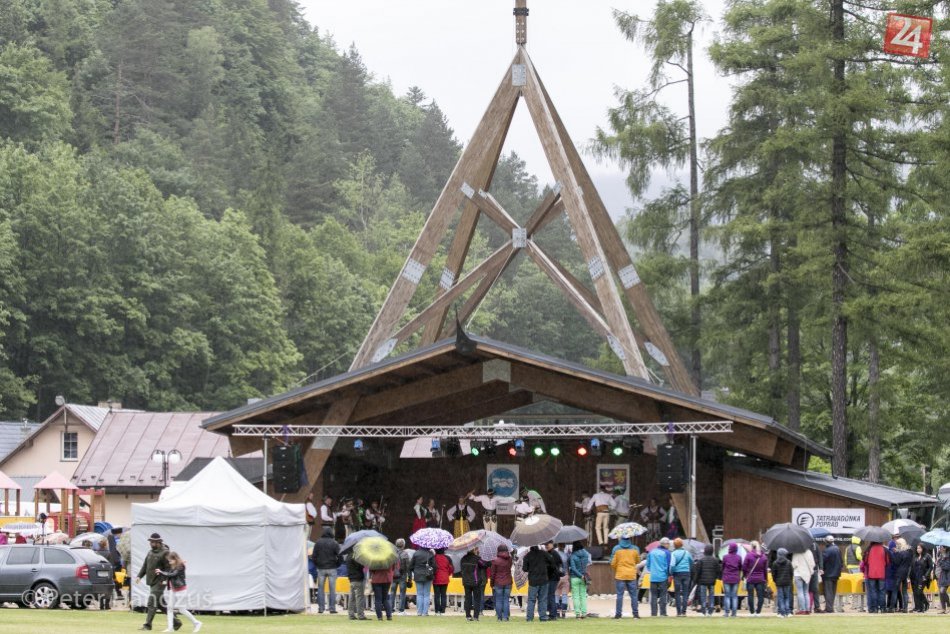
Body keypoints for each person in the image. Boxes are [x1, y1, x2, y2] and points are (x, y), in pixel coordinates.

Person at [135, 533, 177, 632]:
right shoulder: (150, 552)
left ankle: (147, 626)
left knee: (151, 602)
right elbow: (145, 565)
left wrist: (164, 580)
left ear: (159, 542)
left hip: (160, 582)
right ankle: (176, 622)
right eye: (151, 541)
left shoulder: (165, 553)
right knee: (160, 604)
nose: (152, 543)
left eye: (154, 542)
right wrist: (139, 576)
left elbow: (169, 568)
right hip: (152, 581)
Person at [155, 551, 201, 633]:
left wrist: (161, 572)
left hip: (181, 590)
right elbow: (170, 576)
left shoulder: (180, 566)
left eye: (170, 560)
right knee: (169, 608)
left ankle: (196, 623)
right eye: (168, 560)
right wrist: (164, 581)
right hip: (173, 590)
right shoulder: (173, 566)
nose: (169, 562)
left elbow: (173, 575)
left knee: (181, 609)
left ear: (175, 559)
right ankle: (170, 628)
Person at [311, 527, 341, 614]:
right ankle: (332, 608)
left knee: (320, 589)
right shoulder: (334, 543)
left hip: (321, 568)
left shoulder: (318, 543)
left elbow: (314, 556)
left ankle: (321, 608)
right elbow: (340, 556)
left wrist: (317, 564)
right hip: (332, 568)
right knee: (332, 589)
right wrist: (337, 564)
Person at [609, 536, 640, 619]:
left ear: (621, 539)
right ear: (629, 539)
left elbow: (612, 563)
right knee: (633, 595)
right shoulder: (635, 548)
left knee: (620, 595)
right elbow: (638, 561)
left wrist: (618, 568)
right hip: (631, 575)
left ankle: (618, 615)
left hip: (620, 575)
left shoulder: (616, 549)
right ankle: (636, 614)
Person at [522, 545, 551, 622]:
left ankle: (529, 618)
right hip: (544, 580)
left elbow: (524, 569)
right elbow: (551, 562)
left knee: (531, 600)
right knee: (543, 599)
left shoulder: (527, 556)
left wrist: (531, 568)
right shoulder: (544, 553)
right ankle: (543, 617)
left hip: (533, 581)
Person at [460, 546, 489, 621]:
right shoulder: (477, 559)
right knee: (477, 599)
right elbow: (485, 565)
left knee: (468, 599)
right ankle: (476, 616)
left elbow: (461, 569)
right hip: (475, 581)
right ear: (474, 550)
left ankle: (468, 616)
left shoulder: (463, 559)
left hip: (466, 581)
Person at [692, 544, 721, 617]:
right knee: (711, 595)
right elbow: (718, 571)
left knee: (703, 595)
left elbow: (698, 571)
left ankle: (703, 609)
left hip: (702, 581)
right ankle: (711, 610)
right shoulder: (715, 560)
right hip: (712, 581)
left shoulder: (701, 560)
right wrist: (715, 577)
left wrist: (695, 581)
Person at [646, 536, 672, 617]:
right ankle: (663, 613)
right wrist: (669, 575)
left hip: (653, 577)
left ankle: (653, 613)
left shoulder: (652, 552)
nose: (669, 545)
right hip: (663, 577)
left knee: (653, 595)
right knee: (663, 595)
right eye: (668, 544)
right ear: (666, 544)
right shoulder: (667, 553)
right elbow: (668, 565)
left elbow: (648, 565)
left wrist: (653, 571)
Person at [862, 540, 889, 613]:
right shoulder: (884, 549)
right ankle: (883, 608)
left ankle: (874, 608)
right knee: (882, 591)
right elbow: (888, 561)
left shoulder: (869, 549)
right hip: (881, 573)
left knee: (873, 591)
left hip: (871, 573)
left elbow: (865, 561)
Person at [742, 540, 768, 616]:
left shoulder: (748, 555)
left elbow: (744, 567)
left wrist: (745, 575)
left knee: (750, 595)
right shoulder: (764, 557)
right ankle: (758, 611)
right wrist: (765, 579)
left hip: (750, 578)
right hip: (761, 578)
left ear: (751, 546)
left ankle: (752, 612)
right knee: (760, 596)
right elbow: (765, 570)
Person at [489, 544, 513, 621]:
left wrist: (492, 584)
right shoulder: (510, 559)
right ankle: (506, 617)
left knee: (498, 600)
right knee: (506, 600)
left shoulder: (495, 560)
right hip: (508, 581)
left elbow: (492, 574)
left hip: (498, 582)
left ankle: (499, 617)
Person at [669, 538, 693, 616]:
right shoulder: (687, 553)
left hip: (677, 574)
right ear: (682, 544)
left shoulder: (673, 553)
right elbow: (691, 562)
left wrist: (671, 572)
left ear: (675, 545)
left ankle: (678, 612)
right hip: (686, 573)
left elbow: (672, 565)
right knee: (686, 592)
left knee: (677, 593)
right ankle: (684, 611)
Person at [408, 547, 435, 616]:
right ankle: (425, 612)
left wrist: (413, 573)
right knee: (426, 594)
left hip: (418, 575)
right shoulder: (430, 554)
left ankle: (419, 612)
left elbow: (410, 566)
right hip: (428, 576)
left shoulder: (416, 553)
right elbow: (435, 566)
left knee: (419, 594)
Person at [888, 537, 911, 612]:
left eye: (897, 544)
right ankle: (905, 608)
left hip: (898, 573)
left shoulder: (899, 553)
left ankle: (891, 608)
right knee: (904, 591)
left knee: (895, 590)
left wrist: (894, 554)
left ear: (900, 544)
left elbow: (896, 562)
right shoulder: (908, 553)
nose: (896, 545)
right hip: (906, 573)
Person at [909, 542, 934, 613]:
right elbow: (912, 566)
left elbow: (931, 567)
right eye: (917, 548)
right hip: (914, 577)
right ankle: (917, 607)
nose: (918, 549)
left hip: (923, 577)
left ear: (923, 548)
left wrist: (926, 575)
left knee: (919, 592)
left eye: (919, 548)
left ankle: (925, 604)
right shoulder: (915, 556)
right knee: (915, 592)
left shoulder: (927, 556)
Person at [569, 540, 591, 619]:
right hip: (584, 577)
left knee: (576, 596)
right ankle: (584, 613)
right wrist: (582, 575)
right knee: (583, 595)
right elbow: (587, 563)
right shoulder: (586, 554)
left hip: (575, 577)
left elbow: (573, 568)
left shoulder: (573, 556)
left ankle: (578, 614)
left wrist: (579, 575)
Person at [369, 557, 396, 621]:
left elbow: (371, 569)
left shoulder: (375, 558)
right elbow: (393, 568)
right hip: (387, 579)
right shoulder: (390, 558)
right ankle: (389, 616)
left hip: (376, 580)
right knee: (386, 598)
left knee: (378, 599)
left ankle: (379, 617)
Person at [820, 536, 842, 613]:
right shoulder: (837, 549)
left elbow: (822, 562)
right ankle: (830, 607)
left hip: (828, 574)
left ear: (826, 542)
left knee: (828, 592)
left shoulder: (826, 551)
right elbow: (841, 562)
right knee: (832, 592)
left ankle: (829, 608)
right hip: (836, 574)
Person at [791, 546, 816, 614]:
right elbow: (813, 564)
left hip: (798, 574)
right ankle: (808, 609)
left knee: (800, 592)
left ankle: (802, 609)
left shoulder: (796, 553)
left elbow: (793, 564)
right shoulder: (809, 552)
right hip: (807, 574)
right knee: (806, 592)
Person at [721, 542, 742, 617]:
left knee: (727, 595)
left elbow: (723, 567)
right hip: (736, 578)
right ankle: (734, 613)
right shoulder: (739, 557)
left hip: (726, 578)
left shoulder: (725, 557)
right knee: (734, 596)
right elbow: (740, 567)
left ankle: (726, 612)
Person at [771, 548, 794, 618]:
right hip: (787, 582)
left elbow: (773, 574)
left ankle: (782, 612)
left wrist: (775, 581)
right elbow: (791, 573)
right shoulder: (789, 562)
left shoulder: (775, 563)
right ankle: (788, 612)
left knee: (780, 597)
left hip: (779, 582)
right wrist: (790, 580)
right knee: (787, 597)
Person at [390, 538, 411, 615]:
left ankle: (391, 609)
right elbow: (408, 567)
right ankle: (401, 610)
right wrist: (410, 578)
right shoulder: (405, 554)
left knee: (392, 593)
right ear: (403, 545)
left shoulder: (392, 554)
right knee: (402, 593)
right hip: (402, 576)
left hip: (393, 576)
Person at [543, 541, 562, 620]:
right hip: (552, 577)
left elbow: (555, 565)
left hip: (553, 577)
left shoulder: (554, 553)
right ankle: (552, 613)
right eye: (545, 544)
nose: (546, 546)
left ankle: (553, 614)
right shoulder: (549, 553)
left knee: (551, 595)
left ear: (552, 544)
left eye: (547, 544)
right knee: (550, 595)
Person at [346, 551, 367, 620]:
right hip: (358, 578)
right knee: (359, 597)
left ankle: (351, 615)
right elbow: (360, 566)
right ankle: (360, 615)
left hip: (351, 579)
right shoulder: (356, 557)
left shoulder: (348, 556)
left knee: (351, 598)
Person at [432, 547, 453, 615]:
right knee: (443, 595)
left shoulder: (433, 557)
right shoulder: (447, 558)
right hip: (445, 578)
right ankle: (443, 610)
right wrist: (447, 574)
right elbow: (451, 568)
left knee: (437, 595)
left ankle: (437, 610)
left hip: (436, 578)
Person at [937, 546, 950, 613]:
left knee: (942, 591)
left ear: (945, 548)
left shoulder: (948, 555)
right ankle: (943, 608)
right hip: (941, 575)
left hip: (947, 576)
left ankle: (948, 606)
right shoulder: (940, 555)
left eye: (941, 547)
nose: (940, 549)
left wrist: (942, 561)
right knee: (941, 592)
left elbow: (947, 567)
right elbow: (938, 564)